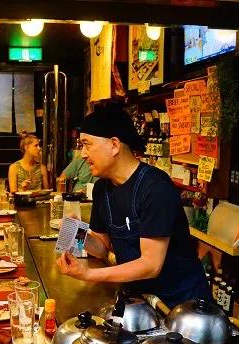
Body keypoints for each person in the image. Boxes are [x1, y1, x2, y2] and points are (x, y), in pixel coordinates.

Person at [56, 106, 210, 308]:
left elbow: (151, 265)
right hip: (141, 300)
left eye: (87, 144)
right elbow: (102, 248)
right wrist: (76, 232)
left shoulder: (155, 187)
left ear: (114, 145)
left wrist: (89, 274)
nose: (83, 154)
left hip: (182, 304)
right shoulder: (102, 188)